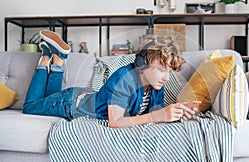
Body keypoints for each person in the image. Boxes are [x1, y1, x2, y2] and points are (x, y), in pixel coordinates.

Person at [23, 30, 201, 128]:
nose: (166, 77)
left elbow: (154, 114)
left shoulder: (156, 84)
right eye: (162, 69)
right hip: (69, 103)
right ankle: (46, 59)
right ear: (142, 62)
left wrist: (177, 112)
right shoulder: (125, 78)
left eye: (169, 71)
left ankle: (56, 59)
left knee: (46, 97)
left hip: (86, 96)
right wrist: (158, 115)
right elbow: (116, 122)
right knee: (30, 106)